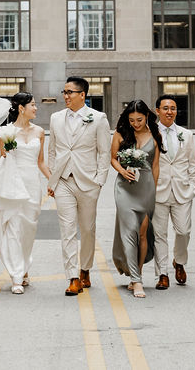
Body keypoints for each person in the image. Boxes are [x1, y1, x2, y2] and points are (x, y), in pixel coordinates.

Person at [46, 77, 111, 296]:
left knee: (87, 229)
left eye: (70, 92)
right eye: (64, 92)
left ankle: (85, 269)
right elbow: (52, 151)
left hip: (88, 182)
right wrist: (53, 179)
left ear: (82, 95)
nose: (65, 96)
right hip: (63, 180)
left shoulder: (98, 119)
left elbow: (104, 152)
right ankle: (72, 277)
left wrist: (100, 181)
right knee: (67, 230)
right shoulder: (55, 118)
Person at [0, 92, 50, 294]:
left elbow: (40, 162)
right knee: (13, 229)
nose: (36, 108)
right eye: (32, 104)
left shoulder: (40, 132)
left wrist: (53, 180)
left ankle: (24, 268)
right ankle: (16, 275)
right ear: (21, 108)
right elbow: (4, 159)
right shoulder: (6, 132)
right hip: (13, 185)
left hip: (32, 186)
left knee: (28, 231)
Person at [110, 100, 161, 298]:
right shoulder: (121, 133)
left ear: (146, 116)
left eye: (139, 119)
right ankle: (136, 281)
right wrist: (122, 170)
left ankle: (136, 272)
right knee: (129, 231)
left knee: (142, 234)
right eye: (132, 120)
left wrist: (153, 191)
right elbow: (113, 158)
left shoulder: (155, 135)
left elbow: (155, 166)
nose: (135, 124)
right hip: (125, 188)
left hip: (146, 188)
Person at [151, 96, 195, 290]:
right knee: (159, 234)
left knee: (183, 231)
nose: (170, 112)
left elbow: (192, 163)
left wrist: (192, 185)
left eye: (173, 108)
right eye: (166, 108)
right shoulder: (150, 133)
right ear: (157, 111)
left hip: (182, 190)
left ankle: (179, 261)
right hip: (158, 191)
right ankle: (162, 273)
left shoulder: (186, 134)